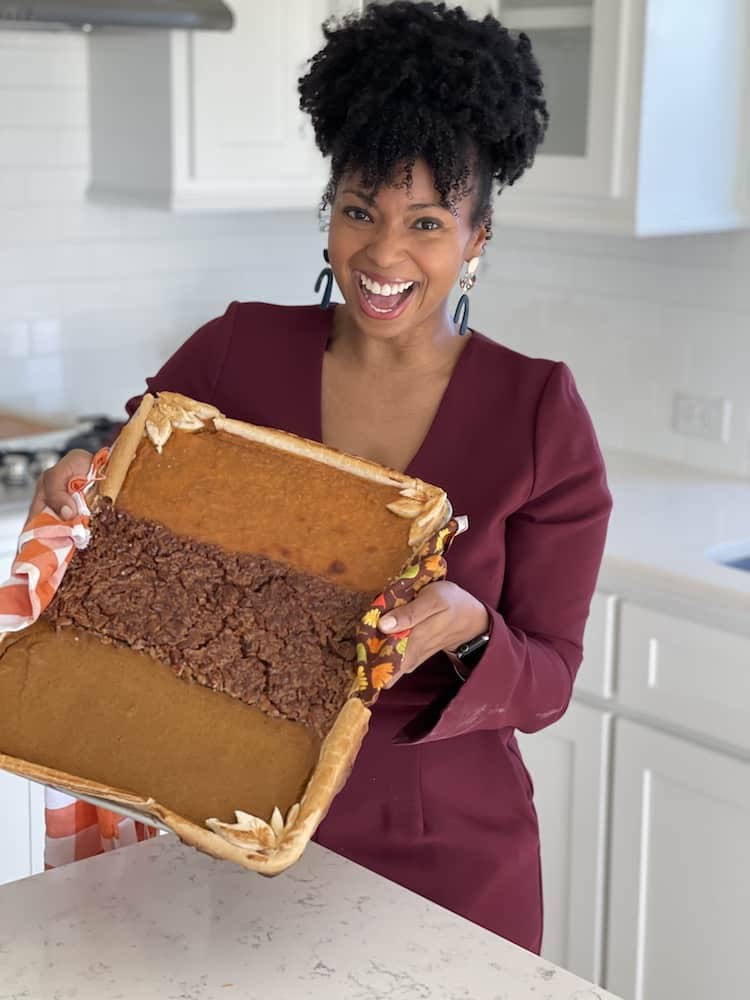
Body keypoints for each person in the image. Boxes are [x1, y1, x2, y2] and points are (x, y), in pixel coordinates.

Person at [30, 2, 612, 953]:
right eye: (359, 213)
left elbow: (549, 676)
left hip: (444, 851)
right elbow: (125, 477)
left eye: (428, 222)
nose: (383, 256)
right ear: (329, 214)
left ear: (477, 240)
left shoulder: (538, 412)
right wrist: (76, 479)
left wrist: (470, 629)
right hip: (225, 822)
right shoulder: (232, 354)